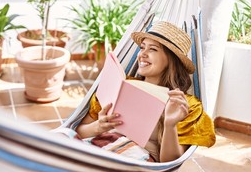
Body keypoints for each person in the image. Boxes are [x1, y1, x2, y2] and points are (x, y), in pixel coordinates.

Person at [76, 21, 216, 162]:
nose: (142, 54)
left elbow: (169, 162)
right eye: (142, 48)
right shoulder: (121, 85)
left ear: (171, 59)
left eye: (152, 49)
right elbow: (78, 131)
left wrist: (169, 124)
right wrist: (98, 127)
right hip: (97, 149)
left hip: (130, 162)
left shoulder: (184, 104)